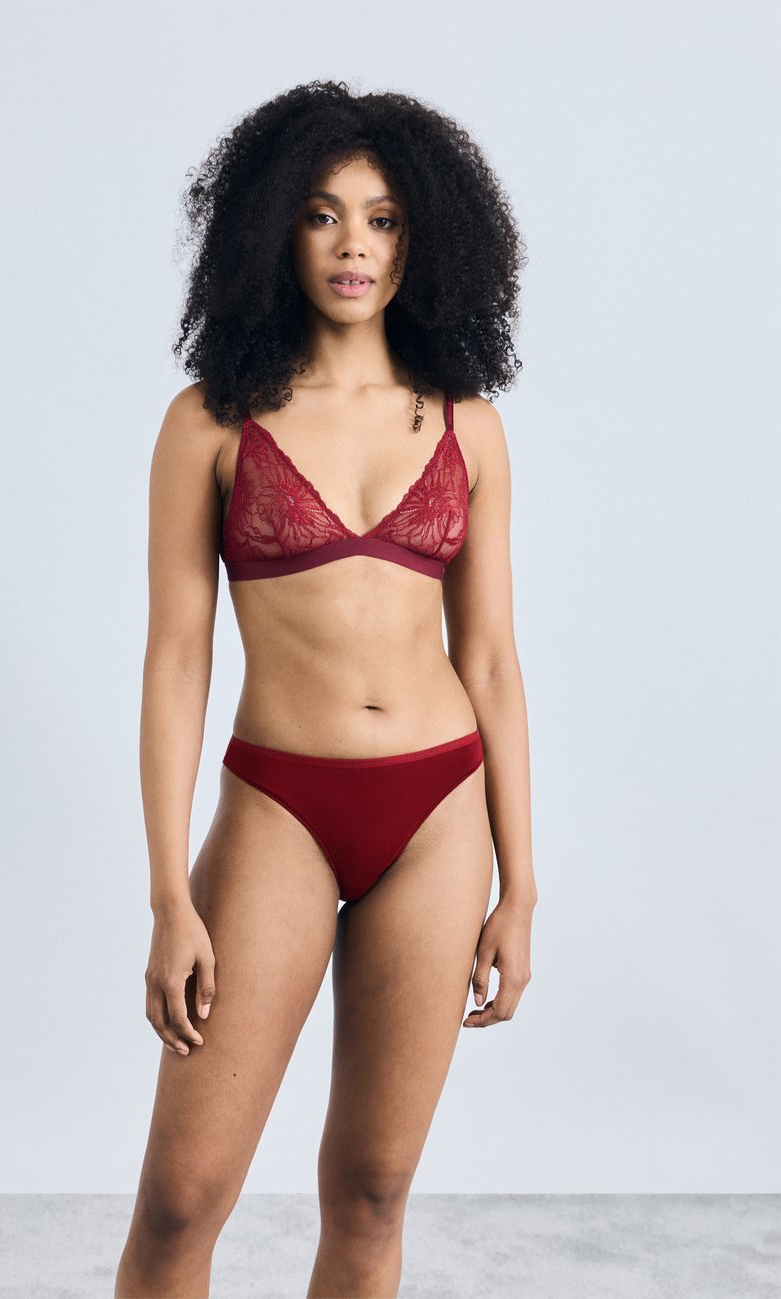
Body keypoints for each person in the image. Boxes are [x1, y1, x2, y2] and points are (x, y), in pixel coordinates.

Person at [115, 80, 537, 1299]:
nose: (355, 245)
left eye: (384, 218)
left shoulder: (468, 425)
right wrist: (168, 895)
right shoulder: (210, 423)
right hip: (279, 810)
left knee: (372, 1192)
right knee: (181, 1203)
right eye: (322, 213)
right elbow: (177, 658)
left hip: (440, 812)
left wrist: (521, 885)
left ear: (424, 239)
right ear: (272, 230)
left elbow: (492, 661)